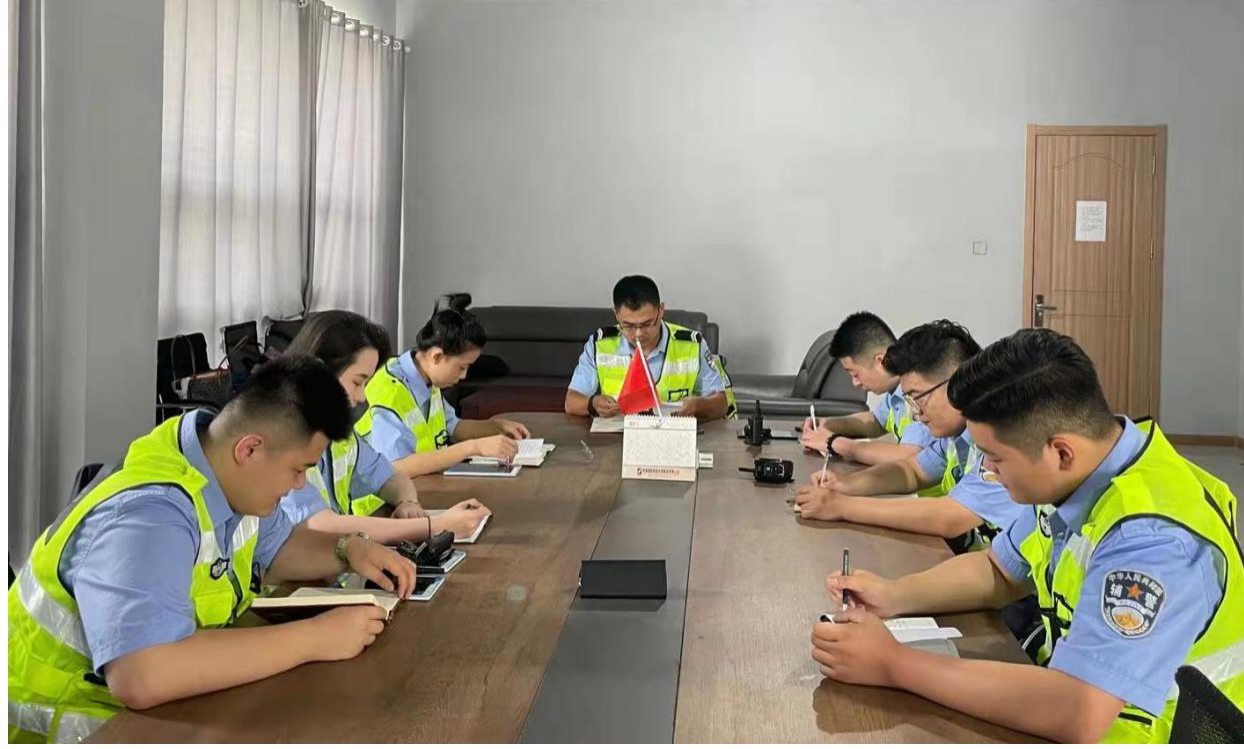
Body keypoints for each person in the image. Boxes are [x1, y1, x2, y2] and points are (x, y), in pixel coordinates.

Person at [811, 329, 1243, 743]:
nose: (987, 470)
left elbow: (1077, 710)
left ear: (1061, 452)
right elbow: (1001, 569)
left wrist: (894, 664)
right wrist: (894, 595)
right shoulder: (1077, 476)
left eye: (996, 457)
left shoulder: (1153, 538)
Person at [8, 357, 416, 743]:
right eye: (298, 469)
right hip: (78, 726)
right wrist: (316, 637)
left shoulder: (218, 464)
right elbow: (143, 674)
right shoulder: (151, 513)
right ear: (250, 449)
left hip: (168, 714)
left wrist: (348, 549)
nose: (299, 486)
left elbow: (279, 549)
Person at [795, 320, 1020, 553]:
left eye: (918, 397)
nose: (915, 412)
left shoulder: (999, 439)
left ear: (957, 383)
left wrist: (842, 506)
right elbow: (913, 470)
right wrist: (846, 484)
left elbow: (951, 516)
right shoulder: (953, 434)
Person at [279, 310, 491, 542]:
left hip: (341, 551)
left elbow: (390, 476)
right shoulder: (282, 437)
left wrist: (407, 502)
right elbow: (318, 524)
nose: (362, 397)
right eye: (357, 382)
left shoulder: (339, 433)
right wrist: (435, 525)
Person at [358, 295, 531, 478]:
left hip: (423, 485)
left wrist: (495, 427)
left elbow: (453, 427)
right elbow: (397, 467)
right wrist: (474, 447)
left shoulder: (426, 378)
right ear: (437, 356)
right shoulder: (390, 392)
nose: (463, 376)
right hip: (385, 495)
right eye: (462, 367)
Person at [565, 275, 735, 420]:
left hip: (672, 438)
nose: (638, 334)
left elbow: (721, 404)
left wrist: (698, 405)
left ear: (661, 311)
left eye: (647, 324)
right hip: (616, 441)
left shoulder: (691, 345)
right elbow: (571, 402)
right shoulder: (600, 345)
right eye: (628, 326)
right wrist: (592, 404)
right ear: (616, 315)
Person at [800, 311, 935, 466]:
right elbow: (875, 422)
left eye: (855, 374)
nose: (855, 383)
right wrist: (827, 424)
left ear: (880, 361)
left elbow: (909, 456)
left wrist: (835, 443)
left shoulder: (918, 394)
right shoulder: (895, 392)